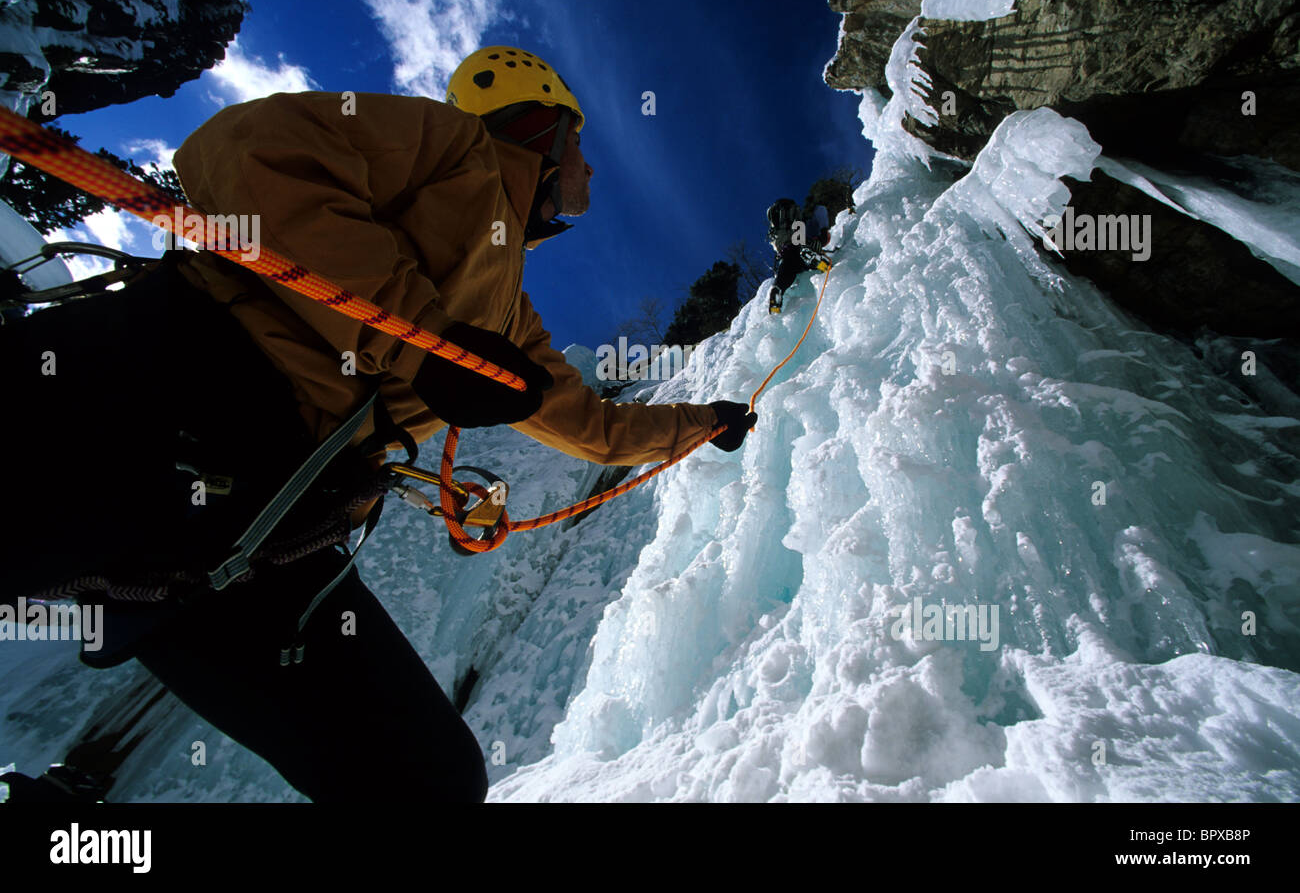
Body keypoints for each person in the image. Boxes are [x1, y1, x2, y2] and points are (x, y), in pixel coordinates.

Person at [0, 46, 759, 803]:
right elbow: (240, 150)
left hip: (267, 527)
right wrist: (415, 340)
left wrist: (704, 422)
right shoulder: (453, 145)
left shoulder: (514, 321)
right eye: (583, 146)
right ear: (544, 127)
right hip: (167, 382)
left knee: (429, 779)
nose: (590, 170)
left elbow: (593, 427)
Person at [765, 197, 833, 314]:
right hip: (803, 241)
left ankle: (778, 287)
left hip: (787, 249)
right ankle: (811, 257)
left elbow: (776, 246)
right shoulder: (801, 219)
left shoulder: (775, 226)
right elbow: (820, 212)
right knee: (800, 250)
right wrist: (822, 234)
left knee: (789, 266)